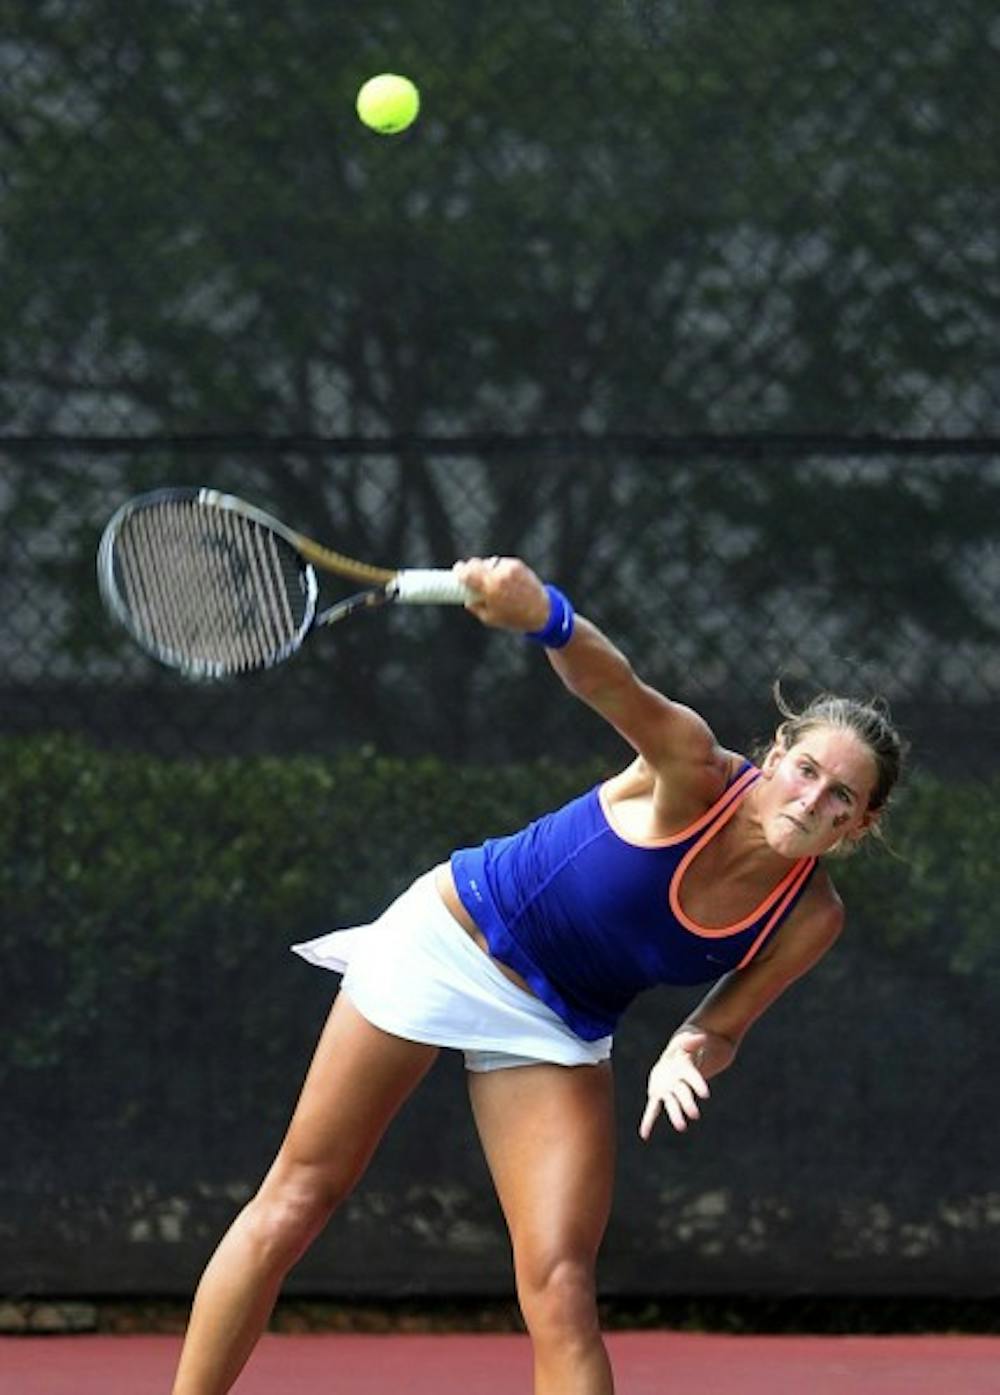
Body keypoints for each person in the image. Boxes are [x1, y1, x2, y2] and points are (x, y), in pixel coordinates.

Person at [170, 555, 906, 1395]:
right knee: (299, 1197)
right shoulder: (692, 768)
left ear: (862, 822)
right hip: (454, 939)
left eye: (843, 796)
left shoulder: (812, 917)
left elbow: (721, 1026)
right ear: (776, 755)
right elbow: (613, 685)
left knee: (559, 1285)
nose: (814, 800)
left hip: (559, 1024)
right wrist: (545, 614)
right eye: (808, 770)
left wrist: (686, 1051)